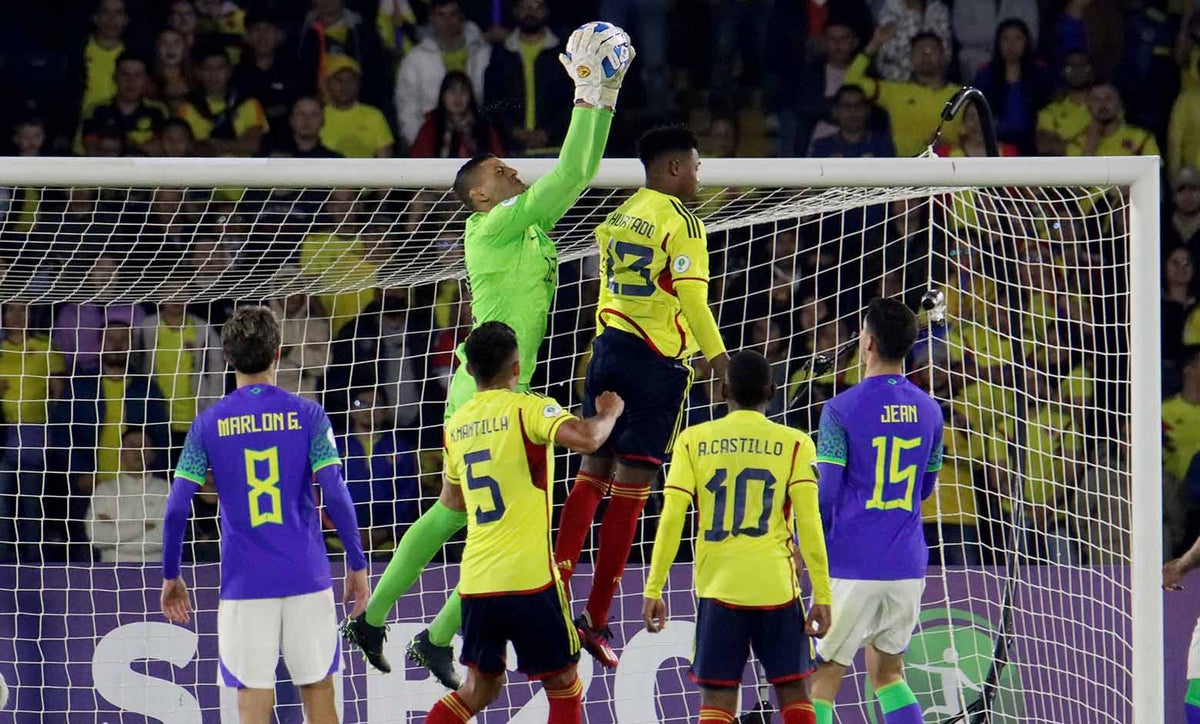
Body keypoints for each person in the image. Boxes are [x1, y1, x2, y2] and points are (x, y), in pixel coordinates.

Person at [341, 22, 635, 687]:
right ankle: (424, 632)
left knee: (455, 510)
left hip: (486, 390)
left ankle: (394, 624)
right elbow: (576, 170)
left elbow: (572, 177)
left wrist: (603, 91)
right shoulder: (494, 225)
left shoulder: (525, 230)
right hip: (488, 396)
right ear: (480, 195)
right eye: (502, 171)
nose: (513, 170)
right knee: (501, 527)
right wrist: (593, 96)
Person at [553, 124, 729, 668]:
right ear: (673, 168)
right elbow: (695, 305)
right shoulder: (683, 223)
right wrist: (720, 360)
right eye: (696, 166)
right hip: (656, 364)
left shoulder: (617, 216)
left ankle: (554, 590)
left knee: (591, 473)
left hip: (606, 349)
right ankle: (596, 618)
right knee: (631, 490)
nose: (699, 175)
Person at [159, 305, 369, 724]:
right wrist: (357, 563)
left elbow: (178, 506)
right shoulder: (309, 415)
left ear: (229, 359)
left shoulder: (206, 425)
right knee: (318, 693)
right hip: (306, 574)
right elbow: (335, 493)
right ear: (277, 353)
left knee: (252, 702)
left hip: (244, 581)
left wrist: (171, 575)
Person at [421, 321, 624, 724]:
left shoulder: (455, 427)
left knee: (478, 689)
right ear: (516, 368)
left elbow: (453, 500)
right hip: (530, 580)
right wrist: (609, 413)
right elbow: (587, 439)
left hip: (477, 584)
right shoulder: (528, 407)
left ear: (468, 370)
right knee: (565, 684)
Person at [642, 350, 831, 724]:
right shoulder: (796, 443)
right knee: (794, 691)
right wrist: (822, 595)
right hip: (776, 588)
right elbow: (810, 525)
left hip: (719, 588)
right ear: (772, 391)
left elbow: (672, 517)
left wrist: (653, 588)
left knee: (718, 696)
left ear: (724, 388)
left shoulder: (692, 440)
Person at [807, 298, 945, 724]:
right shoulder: (930, 410)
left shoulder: (840, 409)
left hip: (851, 563)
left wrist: (805, 548)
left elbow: (826, 494)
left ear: (866, 343)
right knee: (888, 674)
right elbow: (925, 488)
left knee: (823, 678)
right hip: (906, 565)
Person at [409, 71, 505, 158]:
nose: (458, 97)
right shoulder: (430, 127)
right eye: (452, 91)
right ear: (443, 96)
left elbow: (498, 161)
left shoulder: (484, 127)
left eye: (463, 91)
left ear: (470, 96)